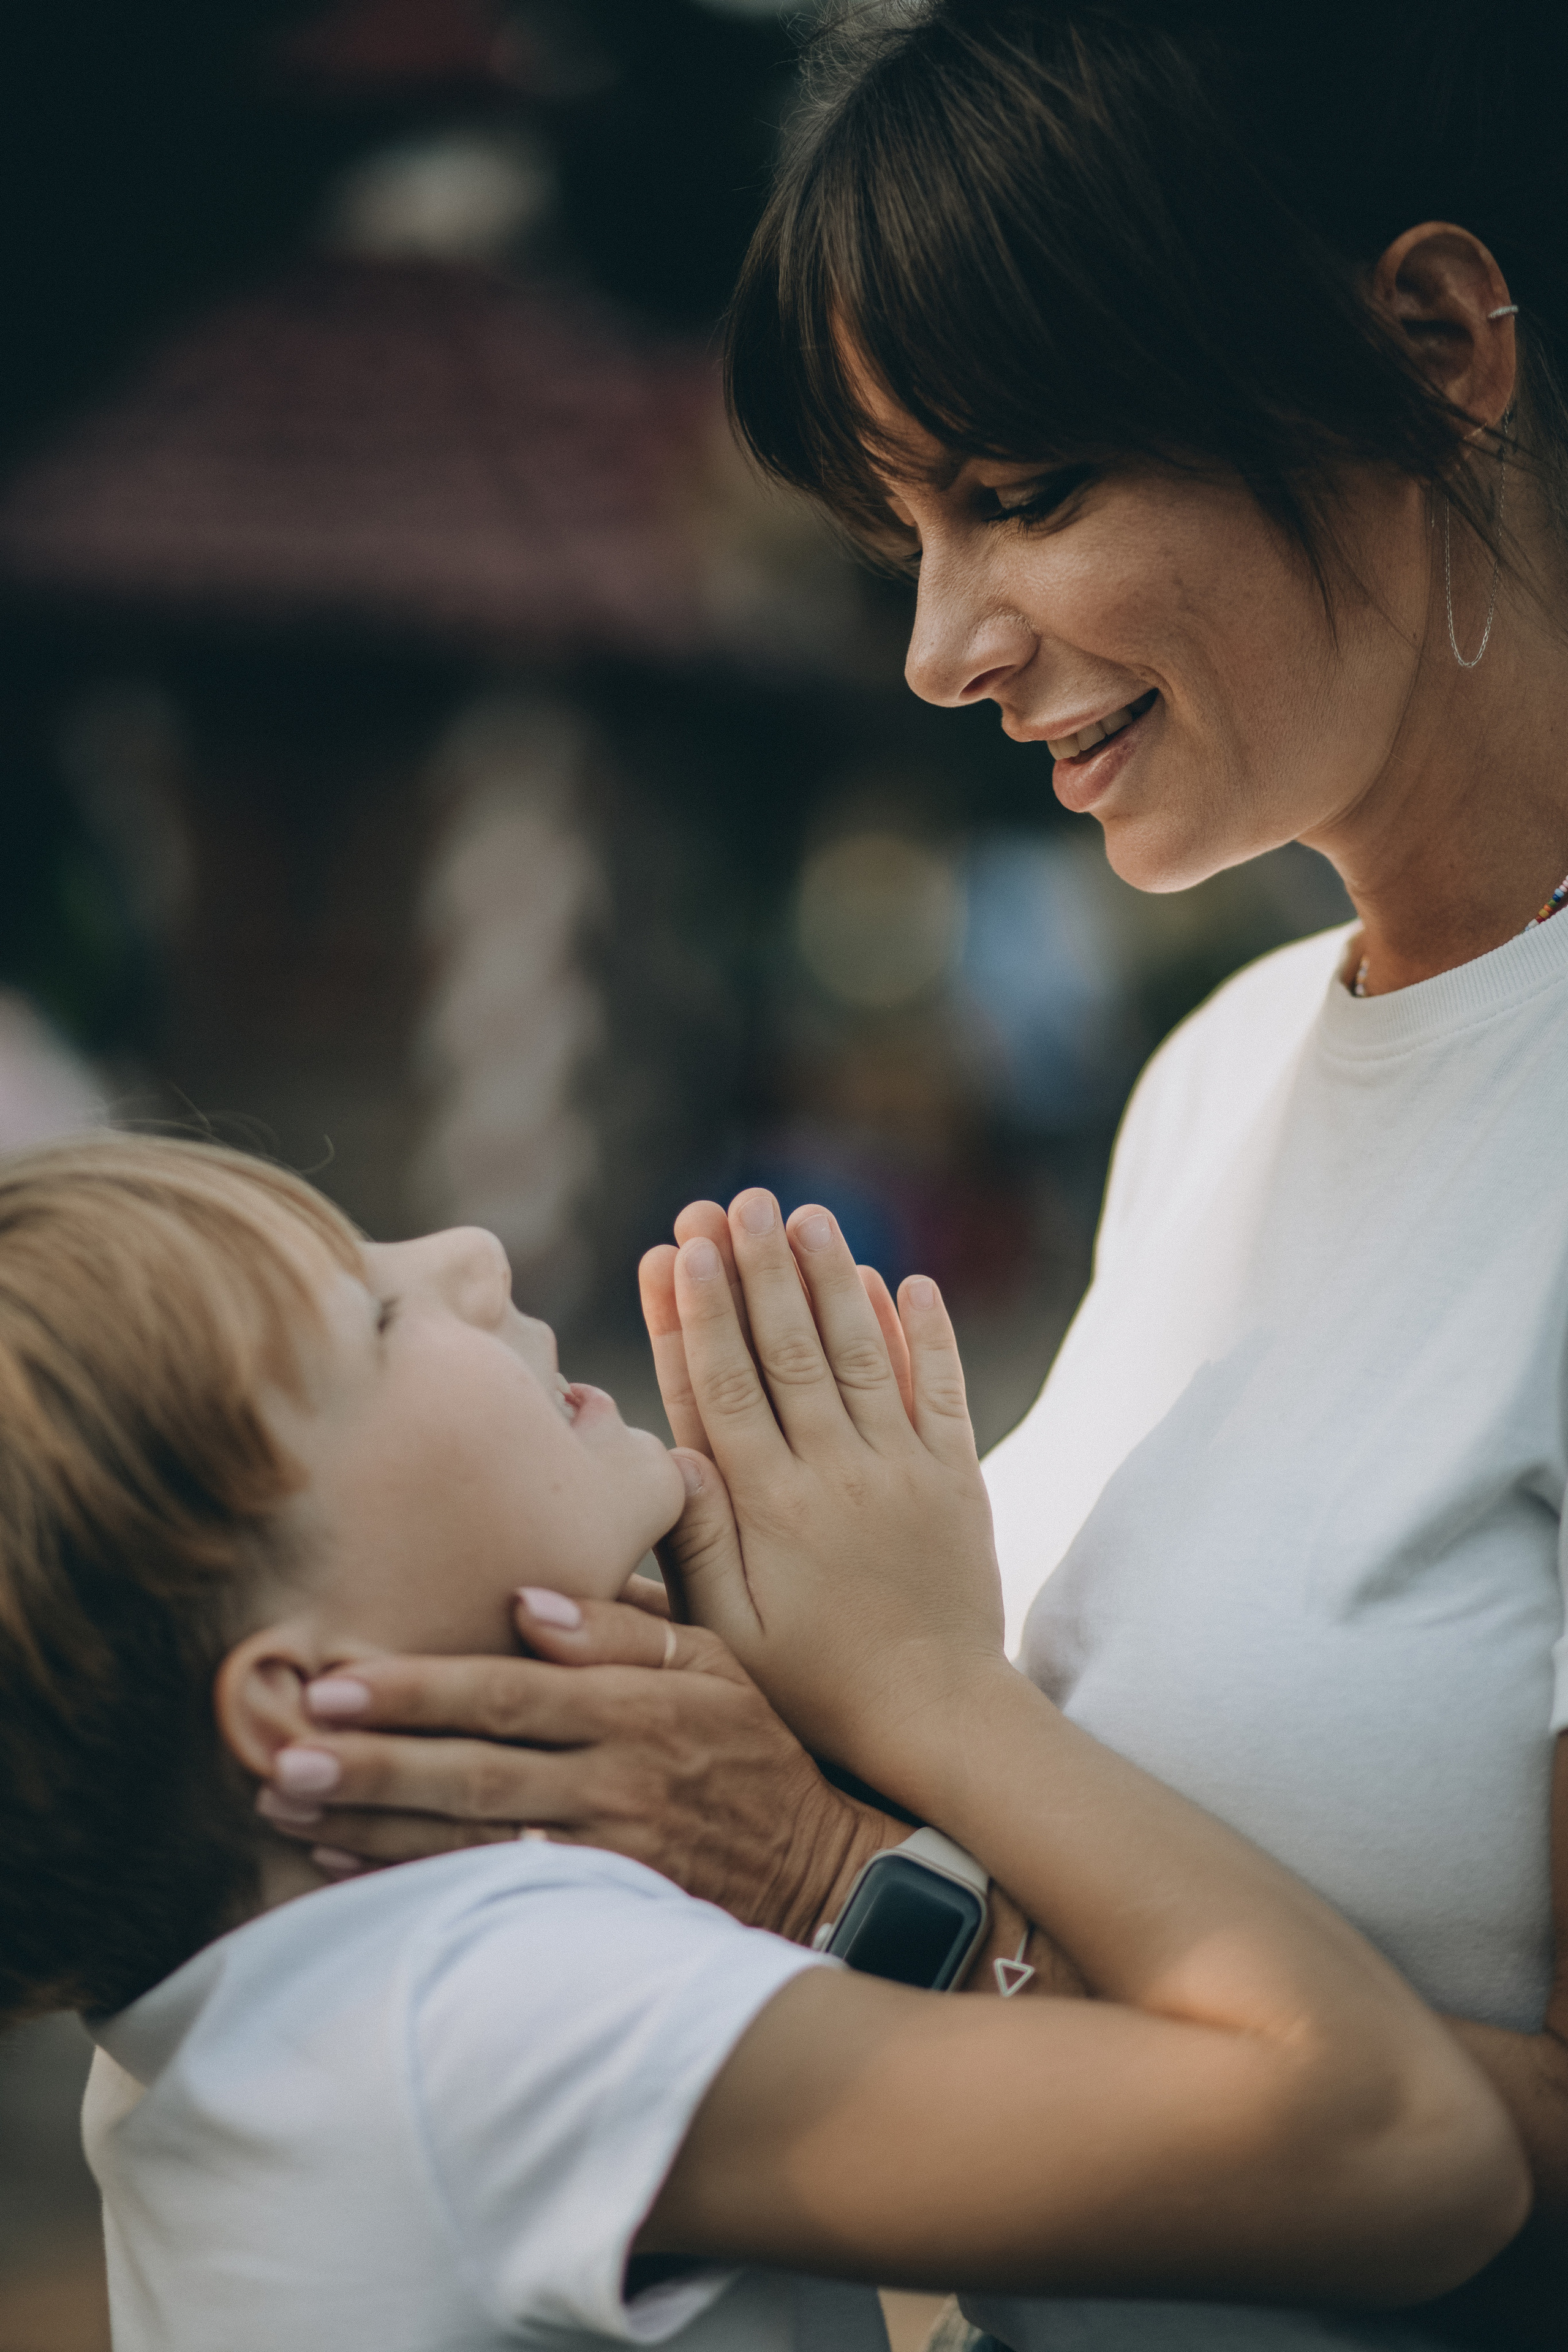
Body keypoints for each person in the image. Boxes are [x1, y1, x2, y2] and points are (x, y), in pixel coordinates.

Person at [251, 3, 1568, 2345]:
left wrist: (852, 1860)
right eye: (905, 535)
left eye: (1025, 495)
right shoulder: (1226, 1076)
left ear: (1439, 344)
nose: (943, 647)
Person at [0, 1133, 1526, 2352]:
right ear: (295, 1703)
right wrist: (930, 1688)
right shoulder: (488, 2009)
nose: (464, 1254)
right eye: (372, 1317)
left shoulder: (222, 2025)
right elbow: (1401, 2154)